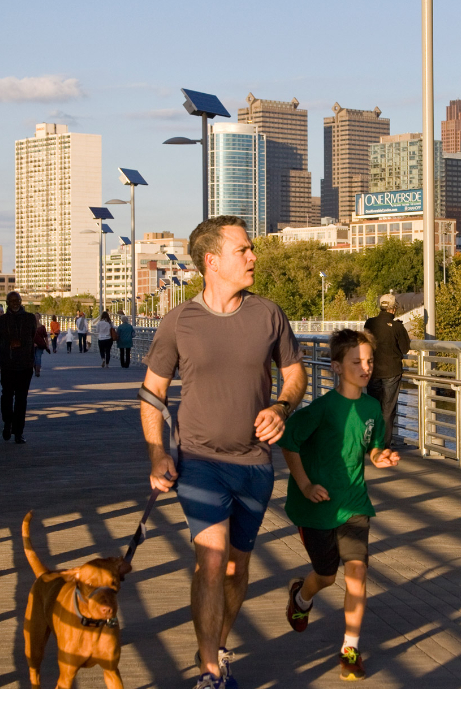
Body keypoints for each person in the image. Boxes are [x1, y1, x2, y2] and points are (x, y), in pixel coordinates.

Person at [140, 215, 306, 689]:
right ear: (212, 261)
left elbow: (296, 374)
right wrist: (157, 454)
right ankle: (210, 670)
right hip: (200, 461)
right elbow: (152, 392)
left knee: (237, 567)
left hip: (255, 463)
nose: (254, 257)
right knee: (211, 560)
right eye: (244, 250)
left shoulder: (269, 314)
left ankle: (214, 641)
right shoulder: (180, 322)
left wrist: (282, 406)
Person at [280, 329, 400, 681]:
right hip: (317, 508)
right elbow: (289, 441)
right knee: (327, 576)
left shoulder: (372, 407)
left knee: (358, 575)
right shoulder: (322, 408)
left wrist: (381, 456)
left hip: (354, 503)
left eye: (369, 361)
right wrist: (305, 484)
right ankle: (301, 596)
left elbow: (372, 448)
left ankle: (350, 649)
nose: (365, 368)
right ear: (336, 367)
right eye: (357, 362)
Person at [363, 293, 410, 450]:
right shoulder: (397, 327)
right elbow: (405, 348)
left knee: (373, 406)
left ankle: (371, 441)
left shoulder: (370, 324)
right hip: (392, 371)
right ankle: (383, 445)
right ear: (394, 308)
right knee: (388, 409)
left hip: (373, 370)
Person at [0, 291, 37, 444]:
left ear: (21, 301)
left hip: (25, 365)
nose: (15, 303)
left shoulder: (30, 318)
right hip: (8, 364)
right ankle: (7, 423)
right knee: (7, 397)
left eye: (17, 300)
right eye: (12, 301)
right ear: (7, 303)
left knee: (22, 399)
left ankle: (18, 432)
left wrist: (34, 361)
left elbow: (32, 338)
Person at [33, 312, 51, 377]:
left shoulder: (42, 327)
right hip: (32, 345)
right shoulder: (31, 327)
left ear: (39, 318)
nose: (36, 318)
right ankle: (35, 367)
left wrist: (47, 345)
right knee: (33, 358)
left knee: (38, 357)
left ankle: (37, 371)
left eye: (37, 317)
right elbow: (29, 336)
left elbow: (45, 336)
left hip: (40, 345)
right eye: (35, 317)